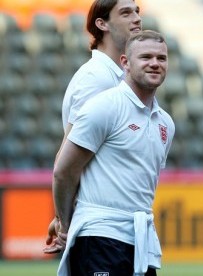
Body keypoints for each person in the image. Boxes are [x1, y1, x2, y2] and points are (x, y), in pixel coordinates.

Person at [52, 30, 174, 276]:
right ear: (125, 63)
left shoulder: (166, 123)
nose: (154, 63)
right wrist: (65, 224)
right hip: (99, 236)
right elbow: (64, 172)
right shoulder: (104, 106)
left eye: (161, 58)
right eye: (146, 57)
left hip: (140, 240)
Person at [43, 0, 142, 254]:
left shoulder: (116, 75)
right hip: (99, 230)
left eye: (137, 12)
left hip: (115, 227)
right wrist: (63, 222)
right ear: (102, 23)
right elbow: (67, 156)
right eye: (126, 13)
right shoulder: (97, 78)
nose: (136, 18)